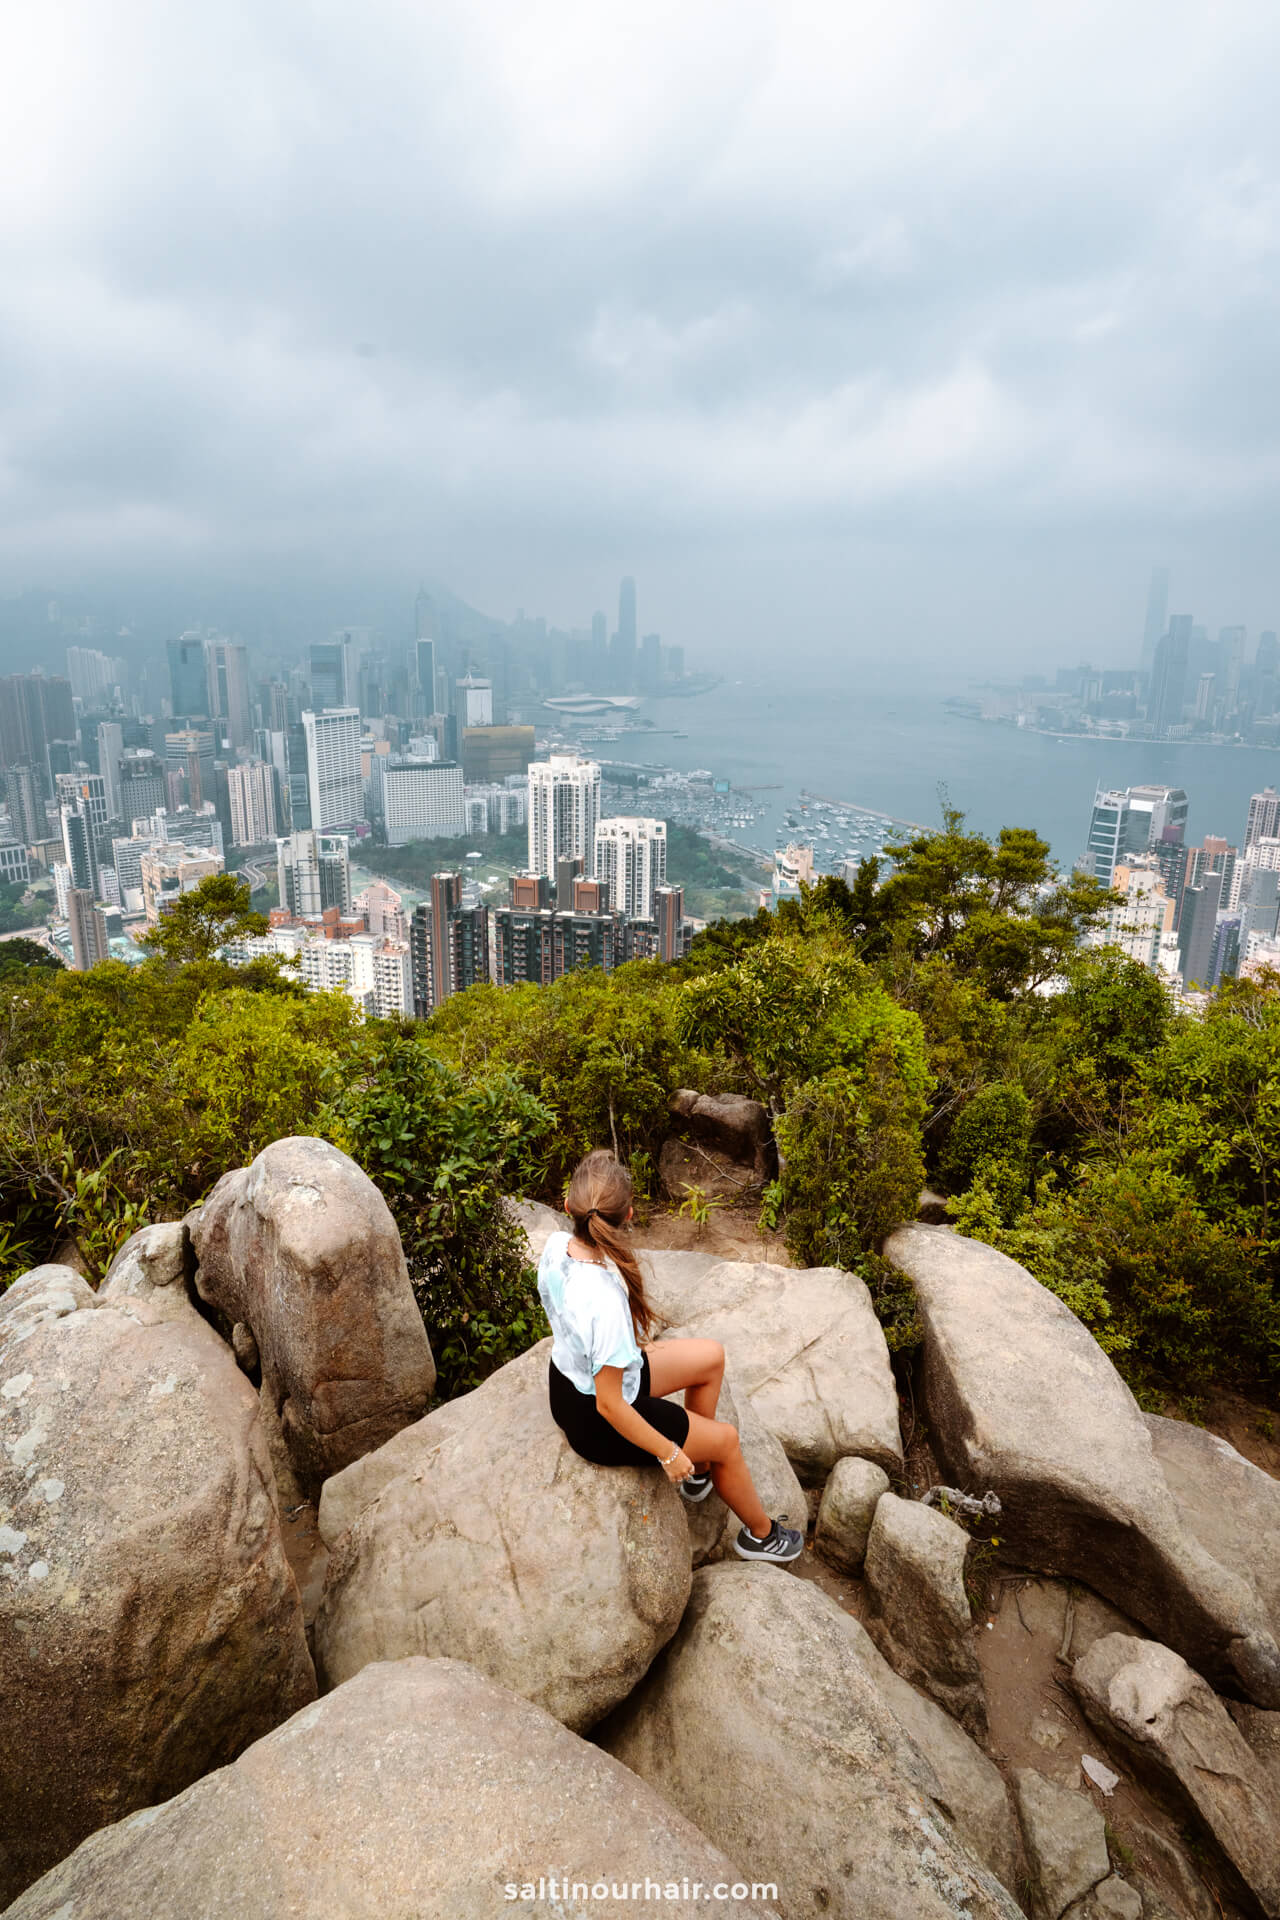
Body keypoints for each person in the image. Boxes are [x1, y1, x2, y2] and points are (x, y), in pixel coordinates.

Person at [537, 1147, 803, 1564]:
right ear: (628, 1216)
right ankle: (761, 1536)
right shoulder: (604, 1301)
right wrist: (669, 1452)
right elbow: (610, 1405)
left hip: (569, 1381)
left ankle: (701, 1472)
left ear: (568, 1206)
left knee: (711, 1358)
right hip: (597, 1417)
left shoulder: (555, 1246)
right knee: (729, 1442)